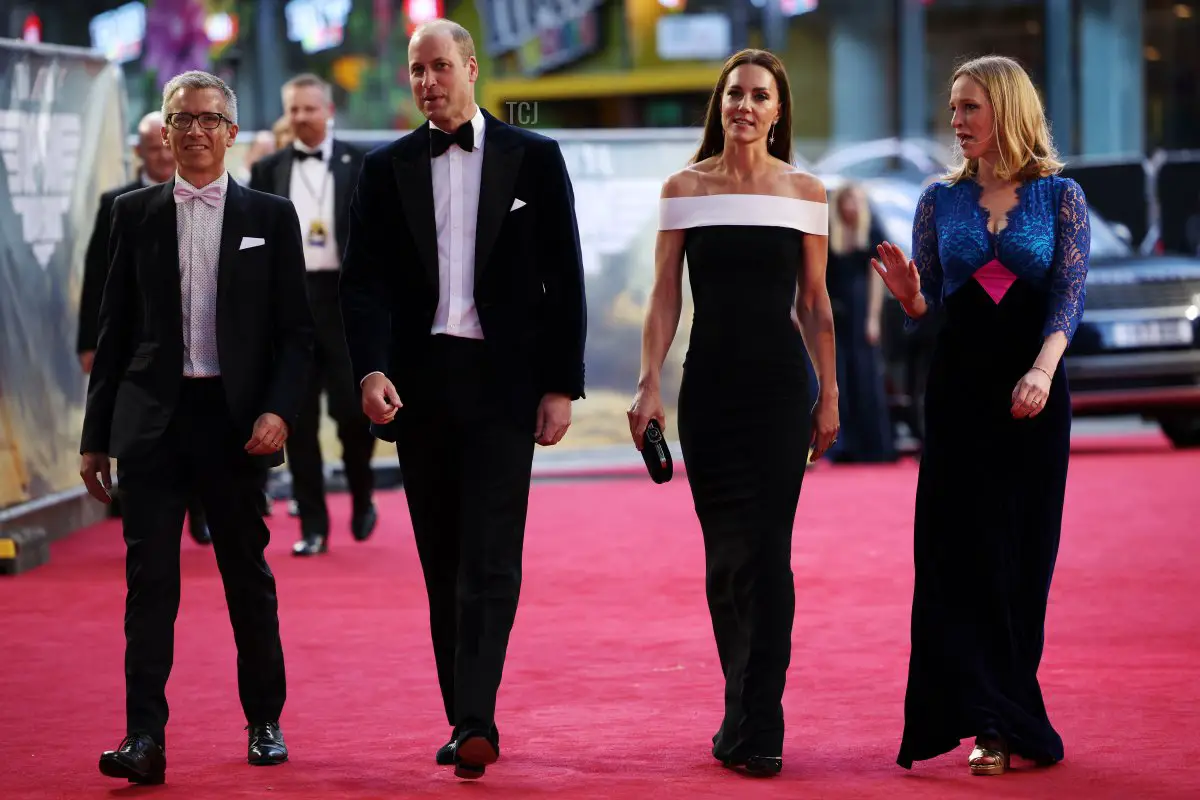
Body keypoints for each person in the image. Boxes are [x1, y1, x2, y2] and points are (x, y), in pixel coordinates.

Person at [339, 19, 587, 780]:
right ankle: (465, 714)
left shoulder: (534, 158)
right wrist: (370, 370)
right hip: (421, 385)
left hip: (505, 384)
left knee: (492, 555)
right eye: (417, 71)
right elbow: (365, 284)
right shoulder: (385, 169)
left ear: (472, 69)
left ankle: (475, 717)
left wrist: (560, 384)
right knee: (441, 558)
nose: (427, 83)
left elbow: (563, 277)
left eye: (440, 67)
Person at [79, 70, 314, 784]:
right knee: (149, 583)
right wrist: (95, 436)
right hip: (151, 423)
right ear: (165, 130)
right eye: (182, 120)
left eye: (210, 119)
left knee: (246, 574)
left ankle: (264, 720)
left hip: (237, 424)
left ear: (233, 132)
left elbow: (297, 335)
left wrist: (278, 410)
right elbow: (114, 333)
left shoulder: (271, 218)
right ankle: (143, 737)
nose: (196, 132)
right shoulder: (134, 214)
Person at [872, 55, 1089, 776]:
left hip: (1032, 398)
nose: (956, 121)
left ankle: (1009, 713)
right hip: (958, 396)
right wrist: (908, 297)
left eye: (970, 107)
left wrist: (1040, 370)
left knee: (1020, 559)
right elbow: (932, 307)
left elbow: (1066, 297)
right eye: (953, 107)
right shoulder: (939, 199)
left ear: (1006, 109)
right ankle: (985, 721)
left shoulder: (1061, 198)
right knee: (957, 558)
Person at [627, 48, 838, 777]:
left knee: (767, 553)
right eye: (734, 94)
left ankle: (762, 724)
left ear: (779, 111)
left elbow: (816, 303)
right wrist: (648, 382)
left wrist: (830, 394)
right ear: (719, 105)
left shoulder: (806, 191)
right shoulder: (684, 188)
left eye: (759, 96)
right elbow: (663, 296)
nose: (745, 105)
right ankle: (738, 710)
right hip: (708, 390)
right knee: (725, 562)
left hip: (780, 392)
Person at [251, 73, 376, 555]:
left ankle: (363, 494)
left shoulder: (361, 164)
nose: (301, 117)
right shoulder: (268, 170)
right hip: (291, 303)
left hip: (344, 302)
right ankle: (313, 525)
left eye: (309, 108)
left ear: (328, 110)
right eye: (293, 110)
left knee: (352, 412)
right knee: (296, 417)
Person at [825, 182, 896, 463]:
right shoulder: (830, 232)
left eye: (856, 200)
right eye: (847, 200)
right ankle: (841, 446)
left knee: (865, 377)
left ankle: (872, 446)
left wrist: (872, 319)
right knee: (837, 377)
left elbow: (877, 277)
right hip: (836, 311)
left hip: (862, 311)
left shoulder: (873, 230)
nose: (851, 206)